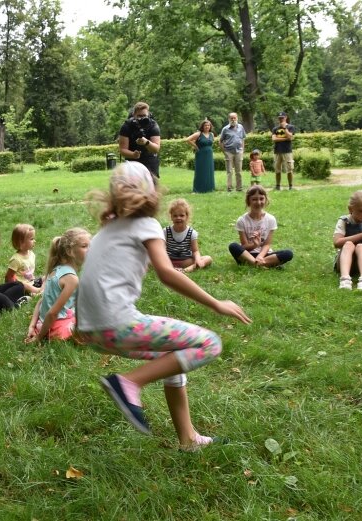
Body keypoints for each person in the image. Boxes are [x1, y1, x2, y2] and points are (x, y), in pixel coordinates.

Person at [75, 162, 251, 451]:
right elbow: (167, 273)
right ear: (151, 193)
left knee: (174, 356)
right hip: (116, 323)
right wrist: (216, 304)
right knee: (209, 343)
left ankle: (189, 439)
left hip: (91, 330)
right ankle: (128, 383)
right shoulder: (147, 224)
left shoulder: (108, 228)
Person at [24, 228, 91, 343]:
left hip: (42, 323)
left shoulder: (55, 269)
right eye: (84, 246)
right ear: (70, 251)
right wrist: (38, 338)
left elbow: (41, 302)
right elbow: (53, 313)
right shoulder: (71, 278)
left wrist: (32, 326)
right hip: (56, 328)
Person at [228, 186, 294, 268]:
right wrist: (255, 245)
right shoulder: (242, 221)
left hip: (265, 254)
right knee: (233, 246)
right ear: (248, 201)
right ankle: (264, 264)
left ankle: (255, 264)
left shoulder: (270, 219)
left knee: (288, 253)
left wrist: (260, 256)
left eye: (261, 199)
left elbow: (267, 244)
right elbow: (244, 246)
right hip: (247, 254)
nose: (258, 202)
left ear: (266, 200)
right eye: (254, 199)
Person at [164, 198, 212, 273]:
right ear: (171, 217)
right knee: (149, 258)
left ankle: (185, 270)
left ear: (187, 216)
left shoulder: (191, 233)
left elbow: (195, 251)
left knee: (208, 258)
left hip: (185, 261)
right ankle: (170, 268)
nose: (178, 218)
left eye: (181, 215)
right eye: (175, 216)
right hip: (168, 260)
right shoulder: (166, 231)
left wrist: (198, 260)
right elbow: (162, 248)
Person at [118, 101, 162, 179]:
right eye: (139, 116)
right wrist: (133, 155)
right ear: (134, 115)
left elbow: (156, 149)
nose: (142, 118)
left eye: (144, 116)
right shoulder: (127, 126)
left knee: (151, 188)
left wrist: (147, 143)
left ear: (148, 114)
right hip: (132, 162)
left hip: (150, 160)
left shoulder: (153, 125)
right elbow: (122, 149)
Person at [5, 223, 42, 295]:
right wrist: (13, 289)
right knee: (24, 285)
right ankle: (38, 291)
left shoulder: (31, 254)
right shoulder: (16, 259)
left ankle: (38, 289)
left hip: (31, 282)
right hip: (22, 286)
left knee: (45, 277)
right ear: (21, 243)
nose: (34, 241)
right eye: (31, 239)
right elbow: (8, 276)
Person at [218, 112, 246, 192]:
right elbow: (220, 141)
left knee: (239, 171)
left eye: (234, 118)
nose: (233, 119)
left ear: (237, 118)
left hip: (238, 152)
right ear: (229, 119)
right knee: (229, 171)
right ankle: (229, 188)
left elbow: (243, 139)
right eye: (231, 118)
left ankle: (239, 188)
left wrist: (242, 150)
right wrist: (224, 152)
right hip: (228, 152)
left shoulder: (241, 127)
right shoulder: (225, 129)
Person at [186, 119, 215, 193]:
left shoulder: (212, 134)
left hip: (209, 154)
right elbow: (188, 139)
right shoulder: (199, 134)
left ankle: (209, 188)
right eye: (205, 125)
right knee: (201, 171)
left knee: (209, 170)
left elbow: (211, 143)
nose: (207, 127)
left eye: (208, 125)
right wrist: (196, 147)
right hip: (201, 154)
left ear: (210, 126)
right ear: (202, 126)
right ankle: (198, 189)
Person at [271, 111, 296, 190]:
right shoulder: (275, 128)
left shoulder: (290, 127)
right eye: (279, 118)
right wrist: (286, 138)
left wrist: (285, 128)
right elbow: (274, 139)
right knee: (277, 170)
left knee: (289, 169)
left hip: (287, 151)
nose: (280, 119)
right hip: (277, 151)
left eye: (282, 118)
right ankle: (278, 186)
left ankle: (290, 186)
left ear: (286, 118)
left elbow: (290, 136)